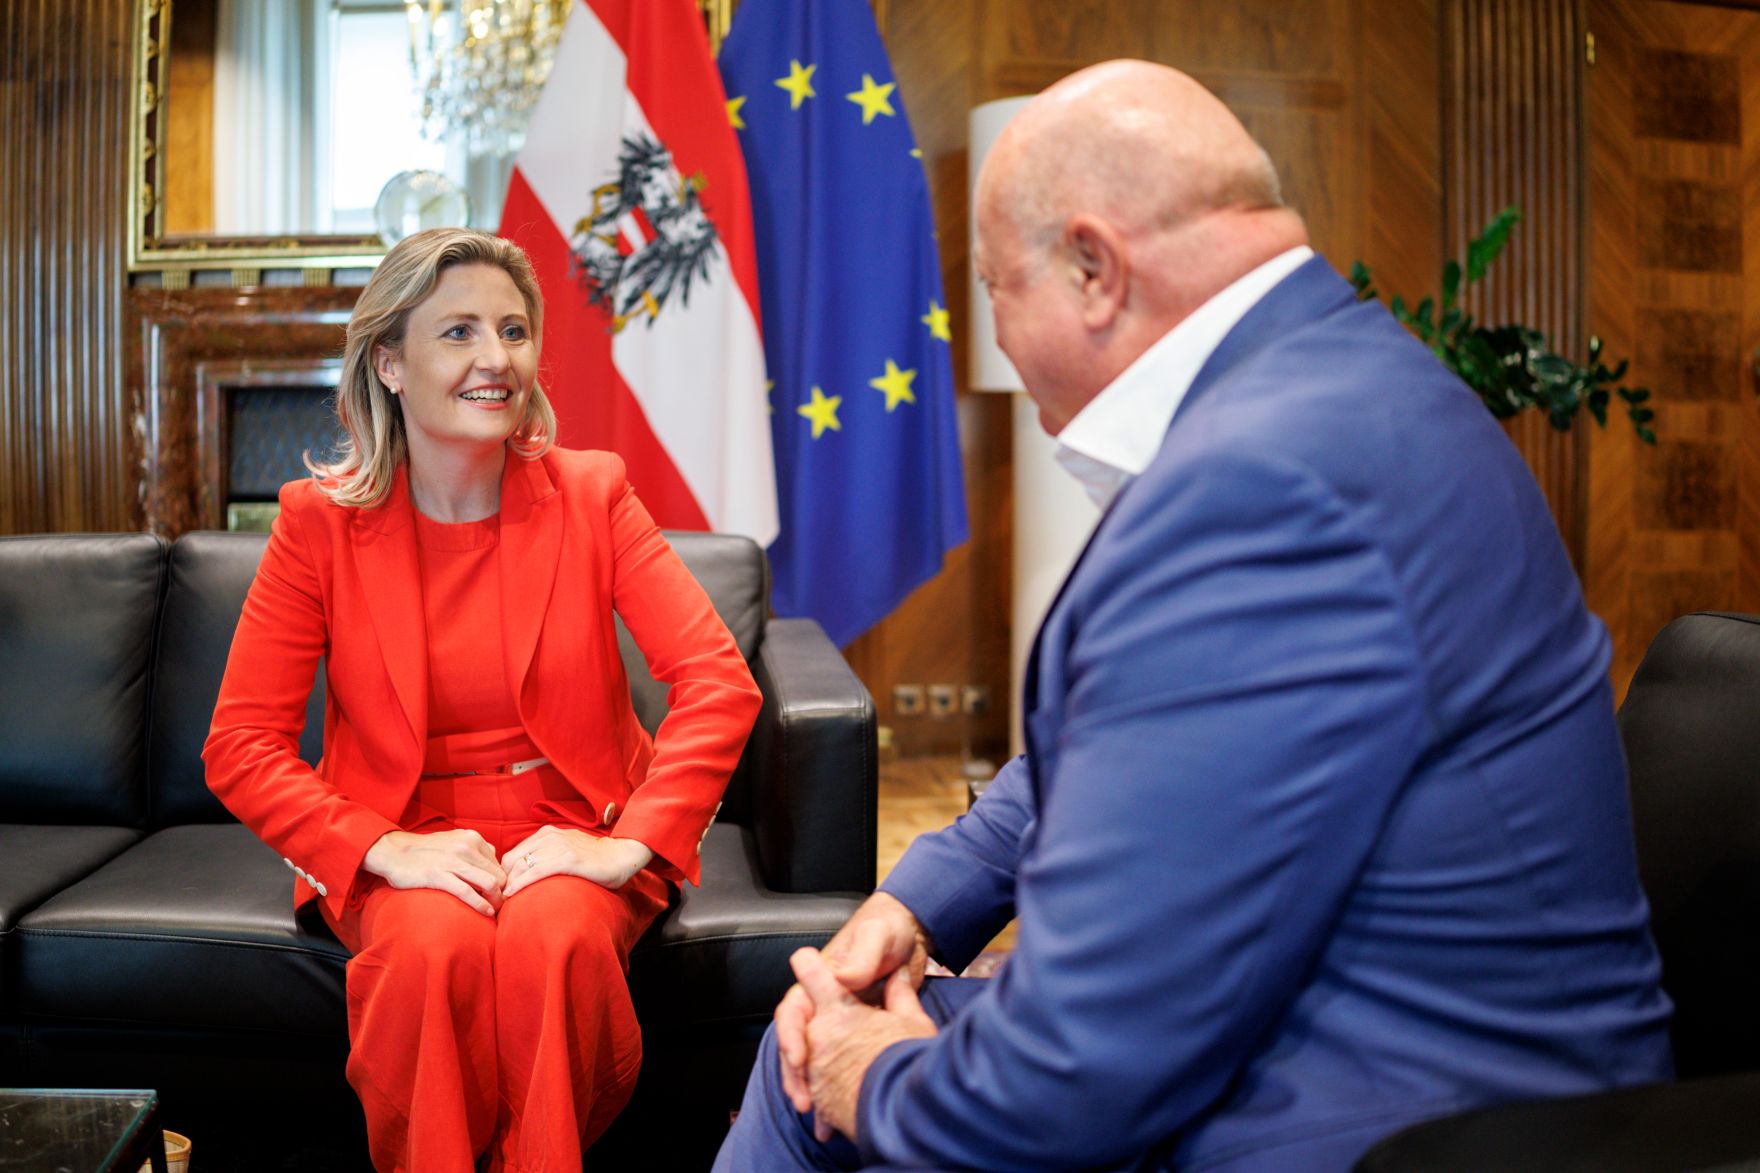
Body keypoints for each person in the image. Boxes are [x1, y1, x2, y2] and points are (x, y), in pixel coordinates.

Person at [714, 60, 1673, 1172]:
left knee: (805, 1077)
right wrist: (921, 904)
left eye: (989, 290)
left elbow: (1070, 1081)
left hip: (1389, 1121)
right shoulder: (1339, 386)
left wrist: (863, 1072)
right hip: (1354, 1038)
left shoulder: (1261, 486)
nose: (999, 343)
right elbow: (1140, 747)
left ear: (1091, 267)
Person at [204, 227, 762, 1172]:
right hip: (404, 829)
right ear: (390, 360)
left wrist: (629, 842)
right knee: (427, 951)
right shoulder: (316, 525)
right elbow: (242, 744)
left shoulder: (593, 494)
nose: (495, 359)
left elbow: (716, 680)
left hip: (570, 818)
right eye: (458, 332)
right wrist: (383, 848)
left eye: (513, 329)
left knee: (553, 940)